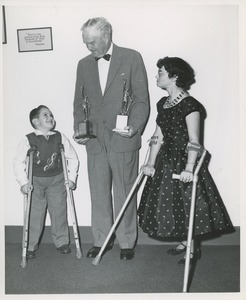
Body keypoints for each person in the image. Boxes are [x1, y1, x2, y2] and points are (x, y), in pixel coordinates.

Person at [138, 56, 233, 264]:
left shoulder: (190, 105)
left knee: (188, 202)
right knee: (172, 205)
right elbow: (158, 136)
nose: (157, 76)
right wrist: (150, 163)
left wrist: (190, 168)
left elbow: (194, 140)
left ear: (174, 77)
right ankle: (184, 240)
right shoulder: (162, 103)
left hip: (183, 161)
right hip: (165, 161)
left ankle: (192, 246)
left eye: (161, 72)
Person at [73, 17, 149, 260]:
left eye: (92, 42)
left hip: (122, 137)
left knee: (124, 191)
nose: (89, 48)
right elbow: (79, 101)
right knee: (98, 192)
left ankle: (127, 242)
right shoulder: (83, 64)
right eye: (85, 42)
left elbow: (140, 99)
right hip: (95, 139)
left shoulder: (132, 57)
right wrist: (80, 129)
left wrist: (135, 127)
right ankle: (101, 239)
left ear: (106, 36)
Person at [13, 105, 79, 259]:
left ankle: (62, 241)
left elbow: (73, 158)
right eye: (45, 115)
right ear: (36, 121)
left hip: (57, 179)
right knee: (35, 213)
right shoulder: (28, 139)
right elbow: (18, 162)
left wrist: (71, 178)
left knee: (59, 210)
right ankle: (29, 244)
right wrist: (23, 182)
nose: (50, 118)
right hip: (35, 181)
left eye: (51, 115)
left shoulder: (60, 137)